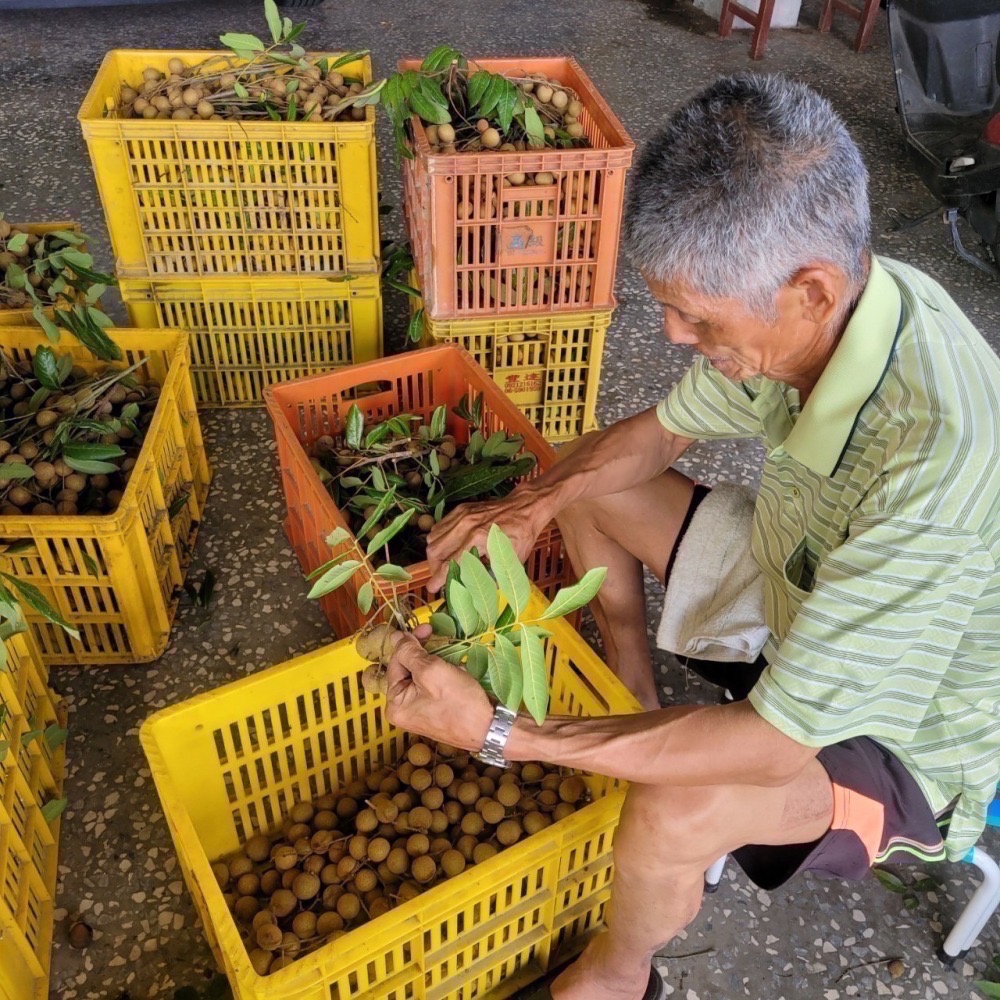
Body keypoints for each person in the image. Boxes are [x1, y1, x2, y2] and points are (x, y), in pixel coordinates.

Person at [381, 72, 1000, 1000]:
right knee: (588, 481)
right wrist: (532, 506)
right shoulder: (841, 302)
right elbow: (662, 432)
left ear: (810, 291)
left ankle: (618, 978)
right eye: (669, 307)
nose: (672, 334)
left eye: (698, 318)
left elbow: (773, 746)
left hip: (908, 729)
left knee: (677, 807)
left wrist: (507, 733)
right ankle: (635, 702)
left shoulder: (930, 469)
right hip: (807, 579)